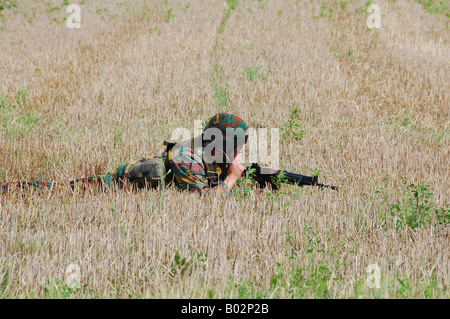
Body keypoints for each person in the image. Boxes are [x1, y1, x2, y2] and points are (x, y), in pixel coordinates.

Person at [1, 113, 248, 195]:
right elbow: (208, 201)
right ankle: (10, 189)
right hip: (113, 186)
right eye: (237, 143)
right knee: (60, 190)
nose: (241, 149)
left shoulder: (213, 154)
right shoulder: (188, 157)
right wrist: (233, 177)